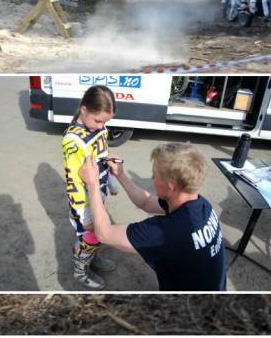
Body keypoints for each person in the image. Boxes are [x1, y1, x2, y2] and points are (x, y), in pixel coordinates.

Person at [79, 142, 227, 291]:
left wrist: (93, 184)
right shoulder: (201, 205)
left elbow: (104, 234)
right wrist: (121, 175)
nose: (151, 177)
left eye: (155, 175)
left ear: (170, 185)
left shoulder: (165, 232)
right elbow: (146, 202)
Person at [62, 85, 119, 289]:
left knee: (98, 232)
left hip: (97, 193)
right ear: (84, 110)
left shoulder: (97, 127)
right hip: (84, 202)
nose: (102, 125)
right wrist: (83, 214)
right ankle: (80, 271)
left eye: (105, 121)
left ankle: (92, 257)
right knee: (89, 236)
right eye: (98, 120)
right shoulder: (73, 141)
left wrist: (110, 179)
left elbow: (103, 155)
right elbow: (73, 182)